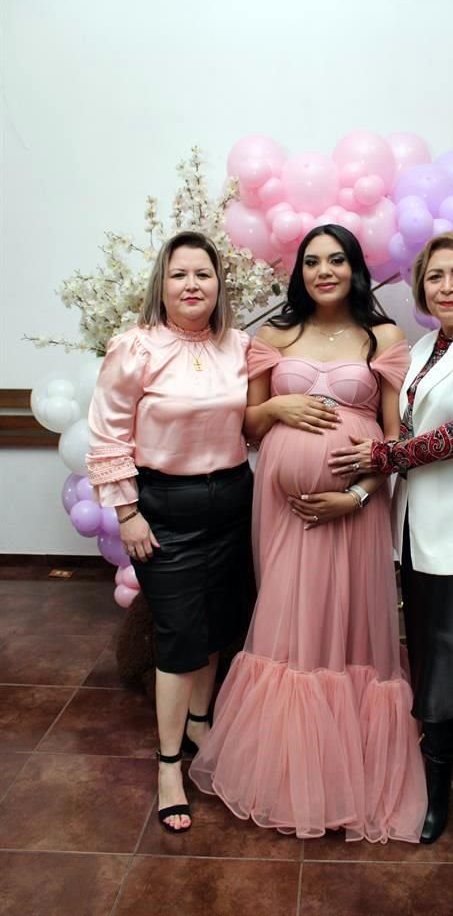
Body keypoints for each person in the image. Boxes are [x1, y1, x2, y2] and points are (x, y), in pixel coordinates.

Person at [190, 224, 427, 842]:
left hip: (356, 510)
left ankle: (346, 772)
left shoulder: (383, 336)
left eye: (338, 260)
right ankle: (283, 771)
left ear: (354, 269)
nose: (325, 270)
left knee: (345, 626)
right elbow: (246, 425)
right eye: (313, 261)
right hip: (284, 508)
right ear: (300, 271)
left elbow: (396, 439)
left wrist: (354, 495)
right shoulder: (274, 335)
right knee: (289, 623)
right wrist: (278, 410)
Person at [329, 231, 453, 843]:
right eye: (435, 277)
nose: (446, 287)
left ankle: (434, 784)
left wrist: (384, 455)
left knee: (444, 645)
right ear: (422, 289)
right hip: (416, 523)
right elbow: (401, 418)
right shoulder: (422, 349)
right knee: (432, 637)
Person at [86, 230, 254, 834]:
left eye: (203, 275)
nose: (192, 285)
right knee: (179, 635)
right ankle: (166, 765)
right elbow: (107, 433)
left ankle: (201, 725)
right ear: (163, 283)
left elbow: (256, 420)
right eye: (180, 274)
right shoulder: (134, 348)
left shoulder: (241, 347)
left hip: (234, 503)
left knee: (216, 627)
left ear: (218, 285)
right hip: (164, 509)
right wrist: (127, 513)